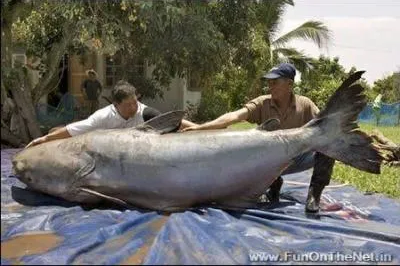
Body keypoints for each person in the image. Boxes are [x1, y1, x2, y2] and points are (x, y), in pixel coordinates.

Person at [182, 63, 336, 213]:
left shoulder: (306, 104)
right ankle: (271, 184)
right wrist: (199, 128)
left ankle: (314, 195)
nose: (270, 86)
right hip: (268, 162)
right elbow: (234, 116)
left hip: (297, 158)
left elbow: (324, 125)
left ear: (289, 84)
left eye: (275, 82)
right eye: (269, 82)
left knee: (328, 145)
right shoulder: (263, 103)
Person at [26, 80, 197, 148]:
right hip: (110, 152)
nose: (133, 107)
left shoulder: (144, 112)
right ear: (116, 105)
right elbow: (73, 130)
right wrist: (43, 139)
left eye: (135, 102)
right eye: (128, 105)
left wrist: (201, 128)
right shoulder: (102, 117)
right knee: (55, 133)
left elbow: (174, 121)